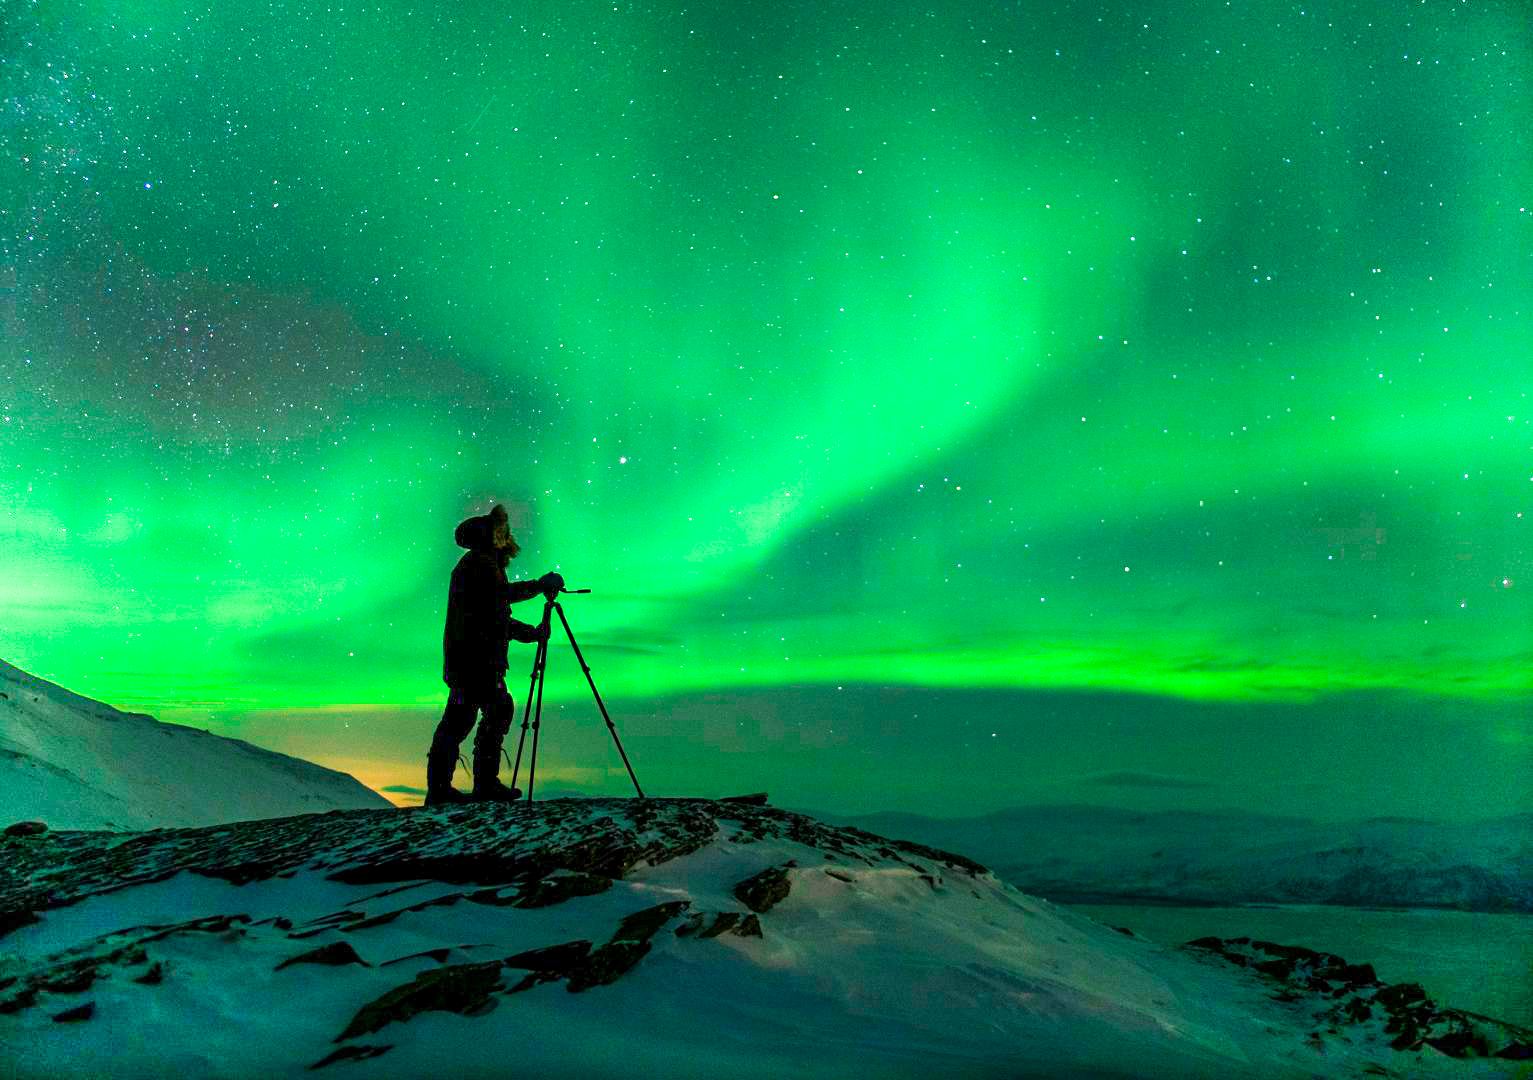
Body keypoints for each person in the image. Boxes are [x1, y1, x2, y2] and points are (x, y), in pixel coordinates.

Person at [427, 503, 564, 806]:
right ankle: (480, 786)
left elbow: (494, 615)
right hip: (477, 661)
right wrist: (540, 587)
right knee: (489, 712)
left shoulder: (475, 565)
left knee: (462, 720)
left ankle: (444, 789)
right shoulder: (481, 565)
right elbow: (498, 604)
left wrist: (531, 632)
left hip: (469, 660)